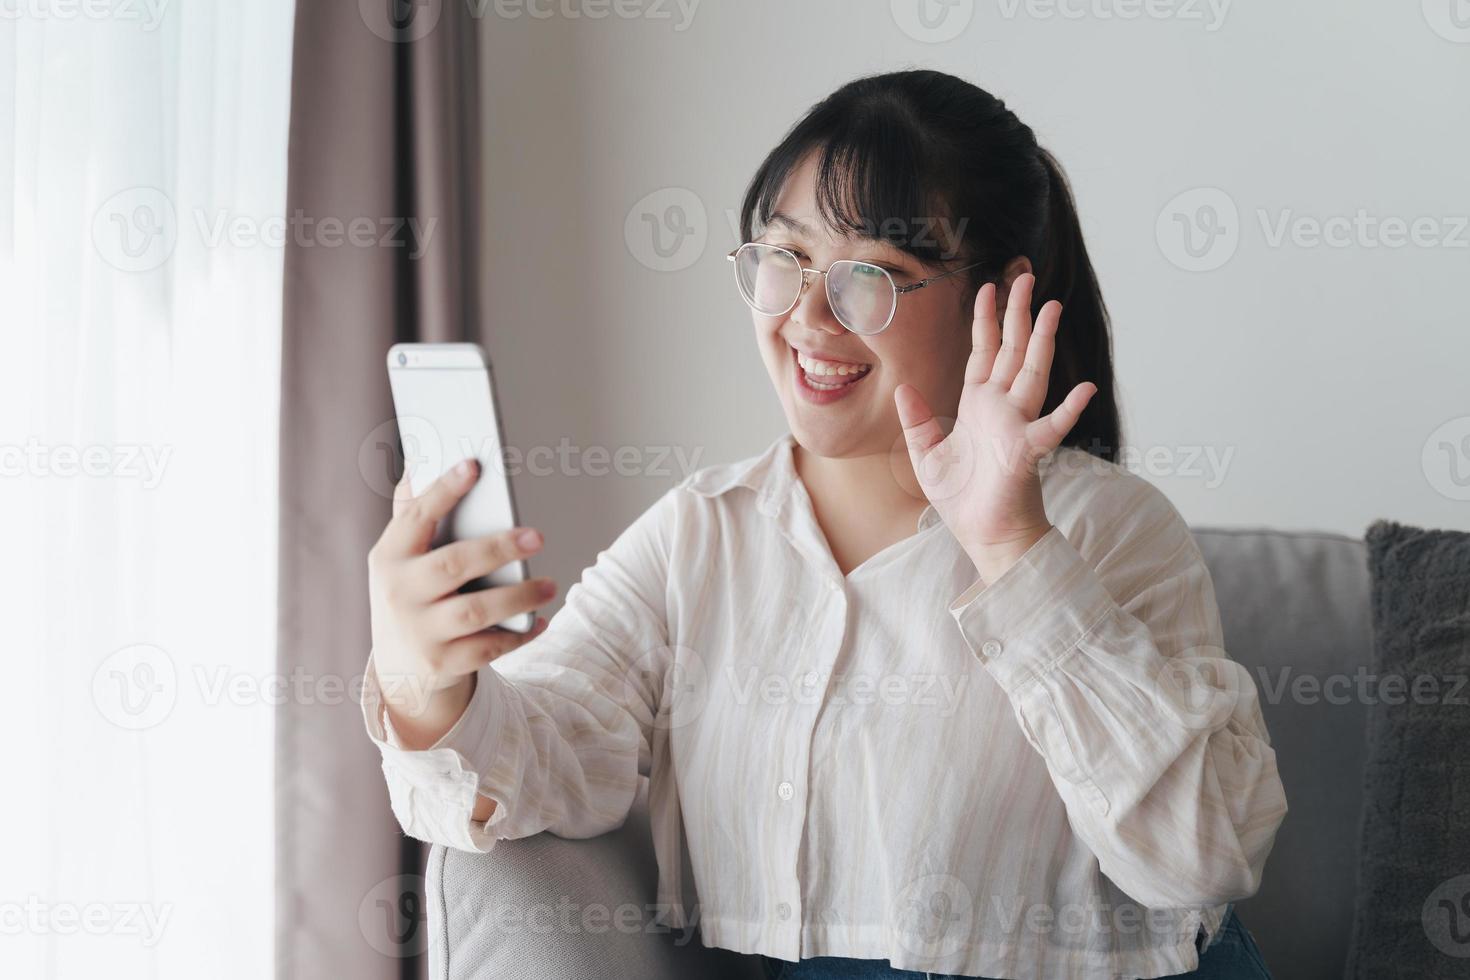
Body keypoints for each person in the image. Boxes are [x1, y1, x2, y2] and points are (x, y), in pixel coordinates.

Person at [361, 69, 1286, 979]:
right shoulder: (700, 536)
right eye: (786, 257)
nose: (806, 316)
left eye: (872, 277)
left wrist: (1012, 548)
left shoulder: (1112, 528)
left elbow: (1199, 857)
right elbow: (546, 753)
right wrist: (425, 679)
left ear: (997, 297)